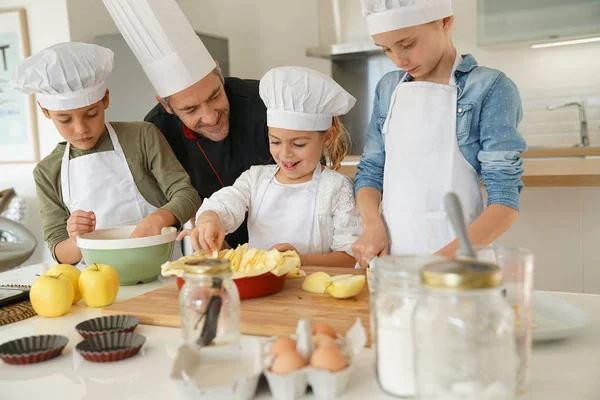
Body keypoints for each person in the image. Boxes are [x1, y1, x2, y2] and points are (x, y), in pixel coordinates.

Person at [352, 0, 527, 266]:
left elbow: (504, 201)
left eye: (408, 44)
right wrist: (371, 228)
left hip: (458, 262)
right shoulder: (388, 88)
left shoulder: (489, 87)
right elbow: (371, 169)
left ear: (445, 21)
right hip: (390, 260)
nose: (399, 60)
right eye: (386, 49)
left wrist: (436, 265)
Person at [10, 42, 200, 266]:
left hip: (160, 272)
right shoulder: (47, 171)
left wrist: (159, 217)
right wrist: (76, 238)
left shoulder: (142, 136)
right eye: (65, 120)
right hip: (94, 284)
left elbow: (188, 195)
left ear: (105, 99)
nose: (81, 129)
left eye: (91, 114)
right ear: (45, 111)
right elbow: (59, 252)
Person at [102, 0, 272, 249]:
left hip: (287, 240)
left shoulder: (266, 101)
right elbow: (178, 195)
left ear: (219, 73)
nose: (211, 117)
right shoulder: (156, 130)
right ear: (167, 106)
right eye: (190, 110)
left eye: (215, 96)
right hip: (216, 244)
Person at [180, 67, 361, 268]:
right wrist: (209, 219)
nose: (285, 154)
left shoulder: (336, 187)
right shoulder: (255, 179)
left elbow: (350, 256)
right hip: (264, 289)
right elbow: (226, 202)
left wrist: (300, 261)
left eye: (298, 144)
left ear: (327, 137)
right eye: (275, 142)